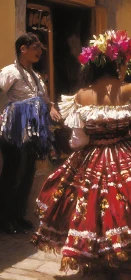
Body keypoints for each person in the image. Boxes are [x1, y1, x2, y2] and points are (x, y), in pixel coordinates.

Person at [32, 30, 131, 275]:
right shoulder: (130, 90)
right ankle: (128, 254)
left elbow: (77, 141)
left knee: (92, 206)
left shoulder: (81, 96)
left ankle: (98, 256)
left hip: (91, 157)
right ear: (117, 63)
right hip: (128, 151)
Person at [0, 33, 61, 234]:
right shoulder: (9, 72)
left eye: (40, 49)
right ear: (22, 49)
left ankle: (19, 216)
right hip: (15, 131)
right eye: (35, 47)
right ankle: (5, 219)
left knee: (27, 174)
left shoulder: (36, 76)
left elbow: (43, 98)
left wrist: (51, 107)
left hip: (34, 132)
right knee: (12, 174)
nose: (39, 52)